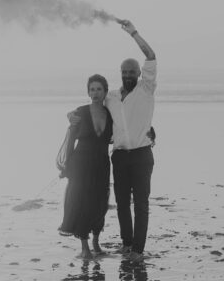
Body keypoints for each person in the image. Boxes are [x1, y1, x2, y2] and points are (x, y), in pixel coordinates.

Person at [71, 19, 157, 262]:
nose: (128, 74)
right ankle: (127, 245)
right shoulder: (111, 97)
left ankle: (138, 251)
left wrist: (134, 33)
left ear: (139, 73)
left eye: (132, 71)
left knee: (140, 205)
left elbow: (150, 54)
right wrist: (73, 114)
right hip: (119, 157)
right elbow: (93, 106)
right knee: (121, 205)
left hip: (141, 155)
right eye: (124, 72)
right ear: (120, 74)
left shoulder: (146, 89)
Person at [58, 74, 114, 258]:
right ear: (88, 92)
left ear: (105, 91)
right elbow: (71, 139)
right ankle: (84, 247)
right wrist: (67, 164)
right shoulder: (80, 113)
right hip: (81, 163)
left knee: (100, 203)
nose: (95, 93)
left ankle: (96, 242)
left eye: (99, 89)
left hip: (102, 163)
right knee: (82, 202)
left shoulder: (110, 114)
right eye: (92, 89)